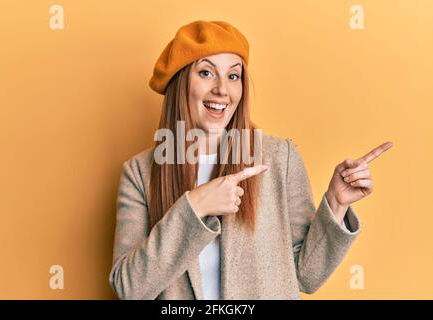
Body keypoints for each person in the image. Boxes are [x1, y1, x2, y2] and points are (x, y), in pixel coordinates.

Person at [109, 20, 392, 300]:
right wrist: (195, 206)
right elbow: (129, 288)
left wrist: (336, 203)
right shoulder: (139, 173)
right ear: (180, 83)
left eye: (233, 76)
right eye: (206, 73)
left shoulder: (280, 158)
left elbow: (307, 276)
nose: (222, 89)